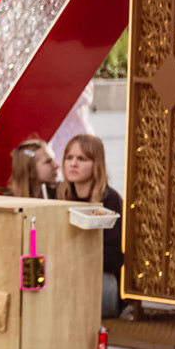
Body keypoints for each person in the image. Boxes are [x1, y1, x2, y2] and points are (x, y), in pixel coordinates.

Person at [57, 133, 125, 318]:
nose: (73, 164)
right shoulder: (60, 195)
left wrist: (75, 253)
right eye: (69, 157)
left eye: (82, 159)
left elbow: (114, 258)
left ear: (96, 164)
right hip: (68, 279)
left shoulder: (109, 200)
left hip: (101, 281)